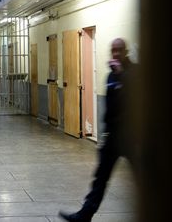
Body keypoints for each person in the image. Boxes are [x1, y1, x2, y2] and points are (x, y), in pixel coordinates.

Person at [58, 38, 135, 222]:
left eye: (119, 50)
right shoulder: (110, 75)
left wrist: (121, 74)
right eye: (113, 50)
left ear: (126, 51)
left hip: (132, 137)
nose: (115, 54)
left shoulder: (134, 72)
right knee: (100, 178)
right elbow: (111, 105)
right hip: (114, 136)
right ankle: (85, 214)